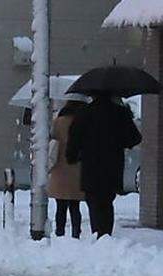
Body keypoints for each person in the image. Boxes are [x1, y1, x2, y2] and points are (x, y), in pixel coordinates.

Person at [66, 94, 142, 238]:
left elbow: (74, 139)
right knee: (107, 202)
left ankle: (98, 234)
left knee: (93, 201)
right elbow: (135, 138)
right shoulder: (120, 113)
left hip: (91, 165)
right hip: (112, 165)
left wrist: (72, 156)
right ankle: (106, 234)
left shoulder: (84, 113)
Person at [48, 101, 86, 238]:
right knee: (75, 206)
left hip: (60, 166)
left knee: (61, 205)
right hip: (76, 166)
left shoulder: (58, 122)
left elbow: (52, 139)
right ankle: (76, 232)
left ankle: (60, 232)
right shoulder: (82, 122)